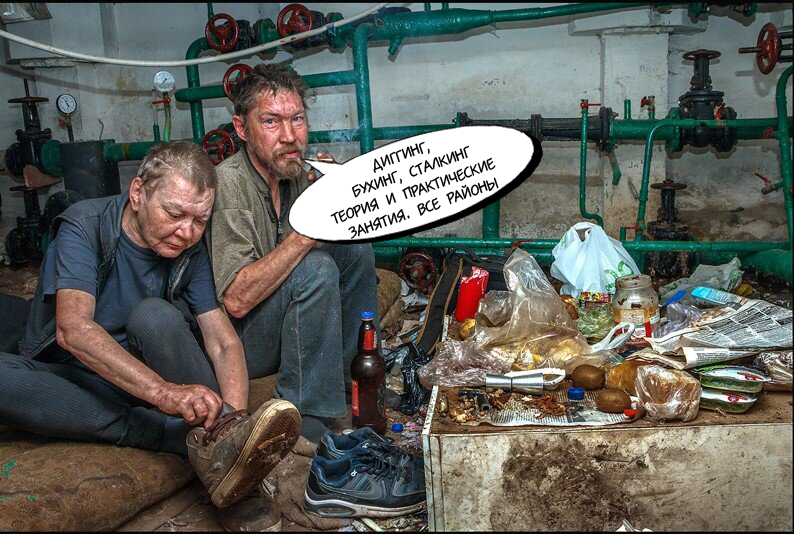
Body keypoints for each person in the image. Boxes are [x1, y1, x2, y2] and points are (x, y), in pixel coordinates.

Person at [0, 142, 299, 531]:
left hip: (148, 370)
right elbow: (73, 331)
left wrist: (235, 421)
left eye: (199, 221)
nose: (186, 232)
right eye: (174, 214)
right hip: (82, 379)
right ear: (138, 193)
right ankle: (175, 440)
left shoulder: (190, 250)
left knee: (154, 315)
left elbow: (223, 340)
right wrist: (164, 394)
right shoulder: (84, 226)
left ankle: (229, 457)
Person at [207, 64, 381, 444]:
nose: (289, 137)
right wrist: (307, 235)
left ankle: (357, 383)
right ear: (242, 129)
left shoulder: (293, 172)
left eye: (297, 120)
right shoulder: (229, 185)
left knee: (354, 248)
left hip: (286, 317)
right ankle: (307, 419)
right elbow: (236, 299)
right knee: (315, 267)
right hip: (241, 341)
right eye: (271, 122)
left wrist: (339, 197)